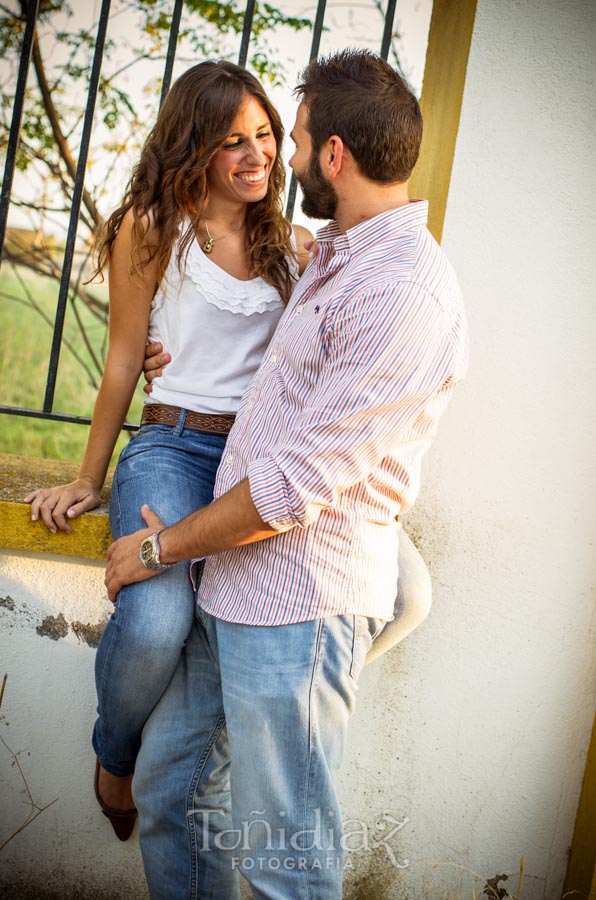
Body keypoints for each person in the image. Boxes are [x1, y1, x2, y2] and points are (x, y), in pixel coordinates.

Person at [24, 57, 432, 850]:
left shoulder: (297, 245)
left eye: (267, 135)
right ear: (192, 148)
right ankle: (116, 756)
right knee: (152, 622)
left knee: (408, 593)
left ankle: (254, 697)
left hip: (261, 466)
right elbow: (119, 361)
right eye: (230, 141)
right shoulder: (152, 229)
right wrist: (87, 476)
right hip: (176, 449)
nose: (258, 155)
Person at [105, 48, 468, 898]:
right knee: (175, 792)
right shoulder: (333, 255)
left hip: (297, 603)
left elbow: (293, 488)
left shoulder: (398, 292)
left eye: (293, 139)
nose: (282, 157)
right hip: (238, 585)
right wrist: (172, 352)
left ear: (332, 155)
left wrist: (158, 552)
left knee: (284, 860)